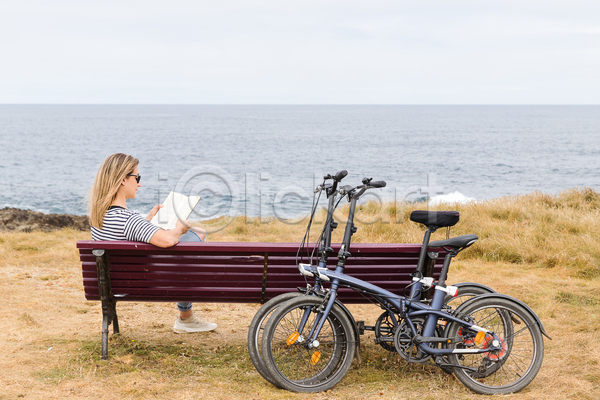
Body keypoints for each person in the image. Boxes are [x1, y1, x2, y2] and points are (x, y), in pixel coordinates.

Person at [87, 153, 217, 333]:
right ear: (123, 179)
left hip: (114, 284)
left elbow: (126, 235)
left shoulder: (98, 219)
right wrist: (180, 227)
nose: (139, 183)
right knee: (198, 234)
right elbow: (169, 240)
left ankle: (186, 318)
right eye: (137, 177)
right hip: (151, 282)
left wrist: (147, 220)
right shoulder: (129, 219)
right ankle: (185, 317)